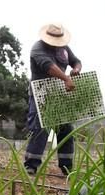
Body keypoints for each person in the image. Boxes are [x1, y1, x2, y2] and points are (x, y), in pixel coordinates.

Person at [24, 23, 82, 175]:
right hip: (40, 93)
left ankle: (66, 166)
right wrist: (66, 79)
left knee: (66, 129)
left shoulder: (64, 48)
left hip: (59, 94)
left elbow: (76, 61)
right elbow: (48, 66)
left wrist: (76, 70)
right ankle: (31, 165)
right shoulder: (38, 48)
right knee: (40, 128)